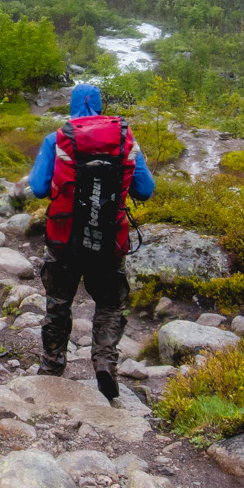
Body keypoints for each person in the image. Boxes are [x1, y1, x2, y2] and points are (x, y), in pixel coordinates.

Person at [24, 82, 153, 402]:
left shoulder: (57, 138)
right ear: (100, 105)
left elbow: (39, 188)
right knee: (110, 302)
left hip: (64, 238)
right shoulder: (124, 139)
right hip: (110, 240)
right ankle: (105, 363)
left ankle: (52, 366)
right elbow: (145, 190)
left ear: (72, 105)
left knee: (58, 303)